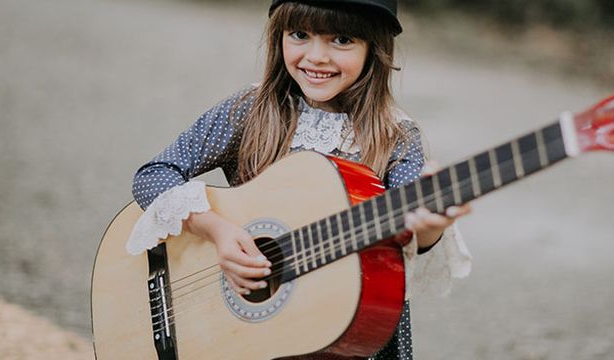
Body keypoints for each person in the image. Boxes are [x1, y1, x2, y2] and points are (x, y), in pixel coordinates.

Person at [127, 1, 473, 358]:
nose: (316, 56)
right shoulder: (252, 109)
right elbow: (154, 176)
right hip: (250, 333)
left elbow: (411, 233)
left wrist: (433, 223)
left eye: (341, 39)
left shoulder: (394, 137)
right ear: (279, 36)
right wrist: (216, 230)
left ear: (375, 48)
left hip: (348, 334)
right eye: (300, 35)